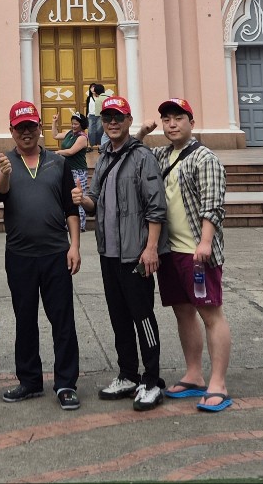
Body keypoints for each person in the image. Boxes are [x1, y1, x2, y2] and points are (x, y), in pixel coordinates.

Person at [74, 95, 168, 412]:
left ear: (129, 122)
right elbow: (95, 200)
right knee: (119, 317)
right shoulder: (103, 158)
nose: (112, 123)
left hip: (136, 253)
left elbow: (156, 208)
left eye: (119, 118)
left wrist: (151, 248)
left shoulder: (143, 158)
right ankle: (128, 374)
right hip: (109, 254)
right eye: (107, 118)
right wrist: (81, 199)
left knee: (142, 316)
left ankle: (152, 380)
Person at [138, 98, 232, 413]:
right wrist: (140, 133)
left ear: (191, 122)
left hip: (196, 253)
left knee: (210, 314)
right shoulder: (162, 154)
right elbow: (133, 155)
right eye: (166, 119)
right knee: (183, 312)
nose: (172, 124)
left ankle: (218, 382)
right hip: (169, 251)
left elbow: (212, 204)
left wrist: (205, 243)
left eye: (178, 118)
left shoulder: (205, 158)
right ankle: (194, 373)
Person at [0, 101, 81, 412]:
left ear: (39, 128)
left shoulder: (58, 162)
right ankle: (29, 381)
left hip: (56, 252)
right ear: (11, 131)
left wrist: (75, 246)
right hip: (20, 256)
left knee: (62, 320)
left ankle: (66, 382)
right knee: (25, 319)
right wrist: (3, 174)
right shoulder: (3, 162)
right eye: (20, 128)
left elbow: (71, 209)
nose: (26, 132)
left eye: (31, 126)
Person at [51, 112, 90, 231]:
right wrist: (54, 121)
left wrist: (57, 152)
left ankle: (81, 225)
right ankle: (68, 223)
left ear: (81, 125)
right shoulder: (70, 133)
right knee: (68, 197)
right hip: (68, 170)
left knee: (79, 197)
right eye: (72, 124)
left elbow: (71, 151)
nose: (73, 126)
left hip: (79, 171)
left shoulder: (82, 137)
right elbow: (55, 135)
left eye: (76, 124)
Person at [85, 83, 106, 150]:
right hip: (91, 115)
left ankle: (100, 146)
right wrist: (86, 116)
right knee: (91, 131)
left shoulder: (101, 97)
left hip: (99, 115)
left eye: (94, 87)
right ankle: (91, 146)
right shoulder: (89, 98)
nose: (93, 89)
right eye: (91, 87)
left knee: (99, 130)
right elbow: (87, 108)